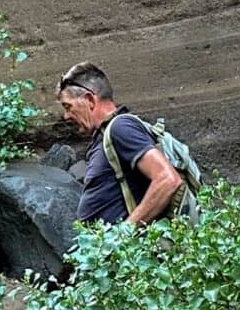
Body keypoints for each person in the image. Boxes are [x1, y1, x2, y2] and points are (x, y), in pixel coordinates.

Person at [58, 63, 187, 227]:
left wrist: (123, 235)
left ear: (89, 99)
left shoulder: (121, 128)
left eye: (68, 106)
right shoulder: (107, 136)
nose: (66, 116)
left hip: (130, 249)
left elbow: (167, 179)